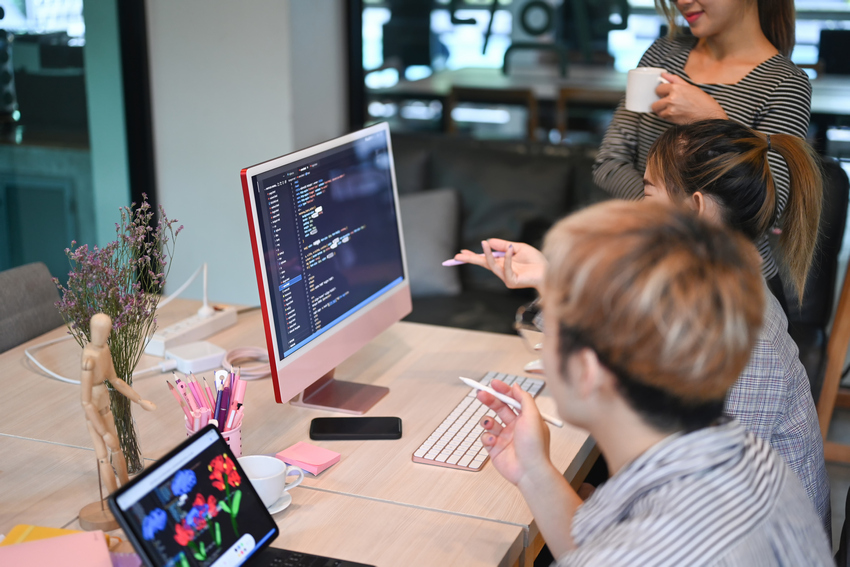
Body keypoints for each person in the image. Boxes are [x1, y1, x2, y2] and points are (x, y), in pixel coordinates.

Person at [453, 119, 831, 536]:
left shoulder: (747, 346)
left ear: (695, 208)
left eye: (647, 194)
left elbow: (701, 530)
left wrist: (578, 501)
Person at [592, 0, 809, 295]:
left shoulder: (785, 83)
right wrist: (669, 218)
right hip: (650, 265)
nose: (682, 1)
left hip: (729, 283)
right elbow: (608, 162)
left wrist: (711, 118)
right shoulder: (662, 54)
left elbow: (766, 210)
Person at [81, 313, 156, 494]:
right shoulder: (88, 359)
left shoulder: (104, 350)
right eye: (100, 331)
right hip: (94, 417)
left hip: (106, 409)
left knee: (117, 449)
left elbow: (115, 380)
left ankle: (126, 489)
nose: (103, 335)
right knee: (102, 457)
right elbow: (86, 402)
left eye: (106, 331)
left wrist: (139, 400)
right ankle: (115, 497)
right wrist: (103, 432)